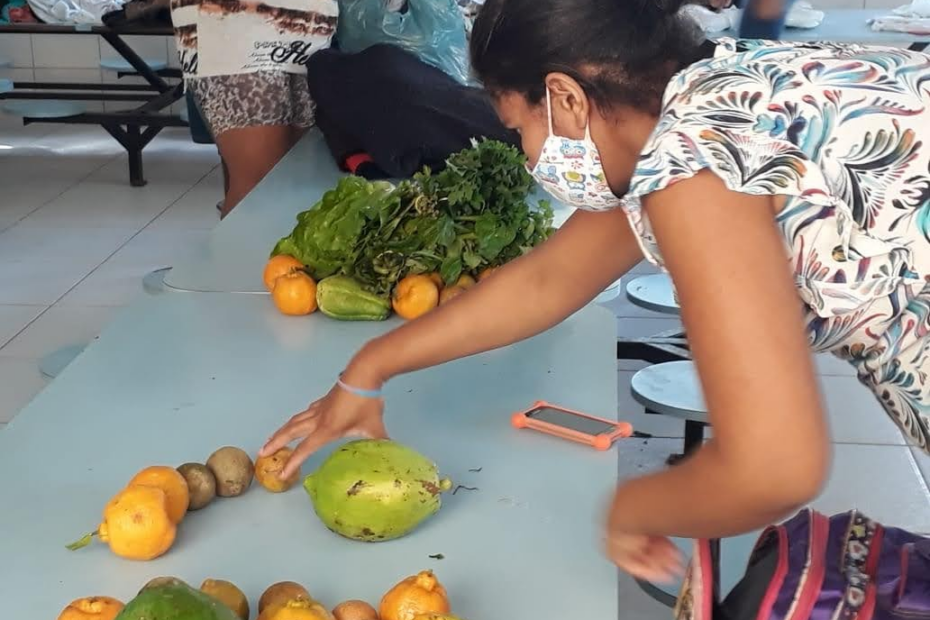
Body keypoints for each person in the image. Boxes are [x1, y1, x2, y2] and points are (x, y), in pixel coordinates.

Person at [262, 0, 930, 583]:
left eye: (519, 128)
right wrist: (368, 372)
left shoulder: (692, 168)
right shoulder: (718, 90)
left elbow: (773, 469)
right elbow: (550, 278)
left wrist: (631, 509)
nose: (525, 157)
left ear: (568, 98)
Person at [170, 0, 338, 217]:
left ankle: (272, 251)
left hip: (311, 17)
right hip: (230, 17)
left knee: (296, 172)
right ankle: (243, 251)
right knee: (258, 182)